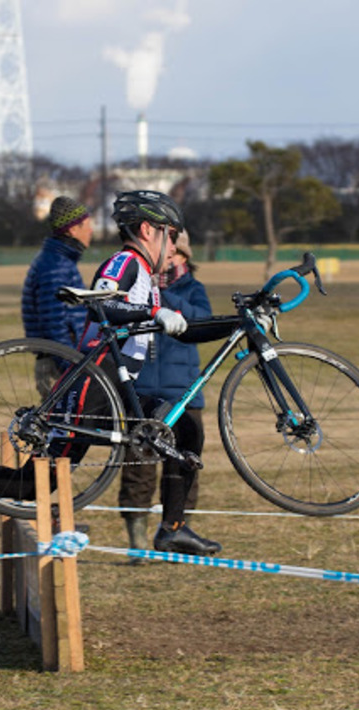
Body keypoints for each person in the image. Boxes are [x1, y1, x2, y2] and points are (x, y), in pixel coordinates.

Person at [0, 190, 229, 556]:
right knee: (33, 485)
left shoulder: (146, 275)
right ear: (148, 230)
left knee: (186, 428)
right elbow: (104, 305)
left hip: (116, 390)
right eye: (172, 234)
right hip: (93, 386)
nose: (175, 244)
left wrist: (241, 323)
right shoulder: (125, 262)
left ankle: (173, 528)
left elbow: (190, 329)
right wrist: (151, 314)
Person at [118, 230, 211, 561]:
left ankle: (177, 529)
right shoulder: (137, 283)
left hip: (183, 394)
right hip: (141, 392)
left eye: (174, 253)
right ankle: (137, 540)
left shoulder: (192, 289)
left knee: (184, 464)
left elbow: (202, 322)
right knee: (137, 469)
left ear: (183, 257)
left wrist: (164, 300)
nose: (167, 257)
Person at [21, 196, 93, 396]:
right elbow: (54, 322)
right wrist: (72, 365)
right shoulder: (56, 266)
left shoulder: (58, 260)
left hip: (59, 359)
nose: (91, 231)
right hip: (58, 364)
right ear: (72, 230)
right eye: (86, 225)